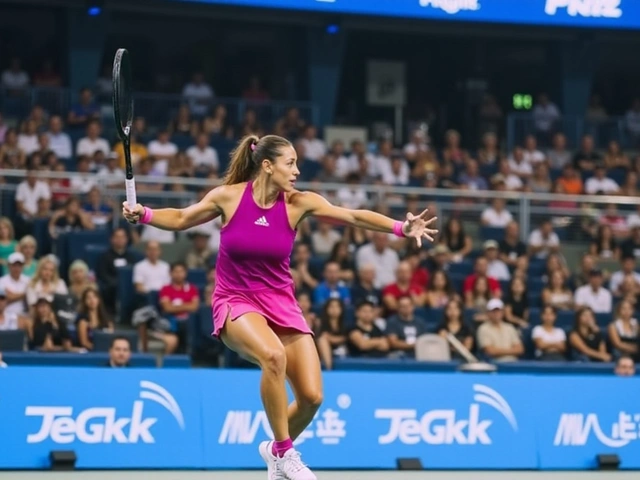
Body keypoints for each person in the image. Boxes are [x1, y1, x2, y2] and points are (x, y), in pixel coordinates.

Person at [122, 134, 438, 480]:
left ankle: (273, 451)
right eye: (291, 163)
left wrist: (400, 227)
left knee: (312, 397)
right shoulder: (229, 197)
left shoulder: (297, 203)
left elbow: (351, 216)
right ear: (268, 166)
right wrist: (145, 213)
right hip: (235, 300)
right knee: (273, 357)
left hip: (281, 302)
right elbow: (182, 218)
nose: (297, 171)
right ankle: (287, 453)